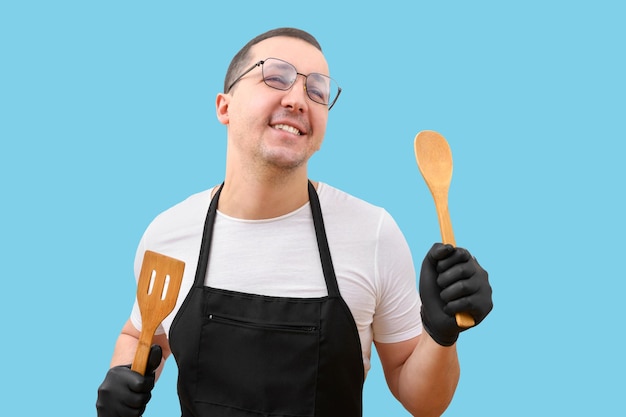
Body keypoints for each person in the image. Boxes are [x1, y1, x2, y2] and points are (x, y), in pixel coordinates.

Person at [96, 27, 493, 417]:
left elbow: (425, 402)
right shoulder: (168, 234)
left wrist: (441, 336)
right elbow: (141, 332)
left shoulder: (372, 233)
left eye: (316, 90)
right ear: (225, 107)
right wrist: (120, 379)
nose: (299, 99)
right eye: (276, 76)